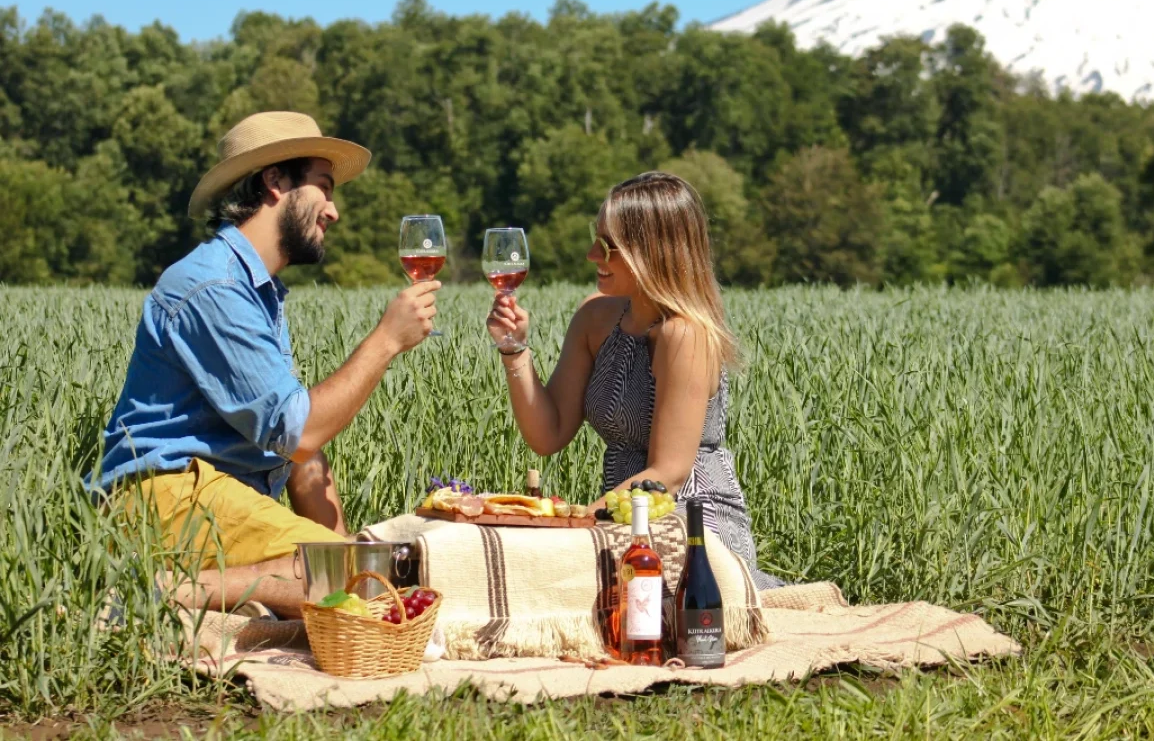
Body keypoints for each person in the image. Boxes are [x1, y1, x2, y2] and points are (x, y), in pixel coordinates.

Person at [89, 111, 440, 618]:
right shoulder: (213, 287)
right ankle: (156, 594)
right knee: (346, 579)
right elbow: (299, 433)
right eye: (324, 187)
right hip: (163, 499)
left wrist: (338, 543)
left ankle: (198, 591)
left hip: (213, 497)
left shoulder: (255, 290)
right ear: (275, 182)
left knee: (362, 578)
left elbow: (297, 453)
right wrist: (385, 341)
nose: (334, 211)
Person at [486, 172, 782, 589]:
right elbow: (547, 435)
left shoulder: (684, 334)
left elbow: (667, 473)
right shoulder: (596, 318)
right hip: (621, 517)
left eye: (608, 245)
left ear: (653, 252)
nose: (592, 254)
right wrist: (513, 348)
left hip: (690, 524)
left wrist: (580, 526)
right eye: (596, 237)